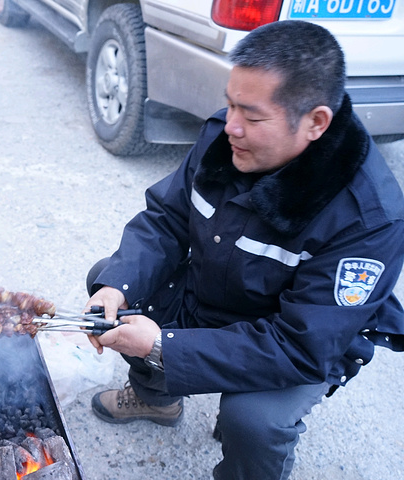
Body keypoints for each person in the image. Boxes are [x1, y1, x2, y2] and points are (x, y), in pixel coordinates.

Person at [83, 20, 404, 480]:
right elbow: (166, 218)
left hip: (290, 338)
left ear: (315, 122)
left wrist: (162, 345)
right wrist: (116, 285)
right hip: (213, 292)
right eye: (230, 103)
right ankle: (158, 399)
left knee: (253, 421)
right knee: (117, 290)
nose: (230, 126)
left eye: (251, 116)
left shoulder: (367, 215)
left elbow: (302, 345)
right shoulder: (226, 137)